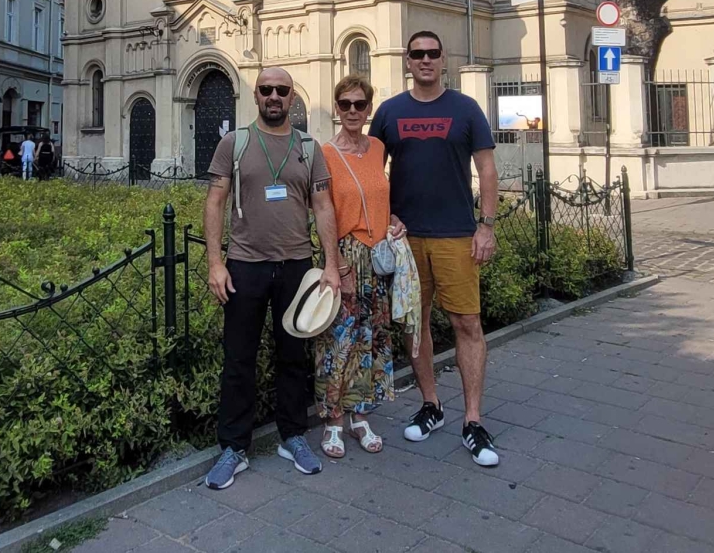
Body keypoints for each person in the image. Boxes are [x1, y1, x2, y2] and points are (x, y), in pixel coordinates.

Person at [204, 67, 343, 490]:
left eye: (282, 90)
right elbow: (215, 201)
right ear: (256, 95)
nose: (274, 96)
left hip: (297, 266)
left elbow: (323, 206)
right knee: (238, 359)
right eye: (266, 89)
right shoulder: (234, 143)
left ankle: (293, 436)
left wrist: (332, 264)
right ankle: (234, 448)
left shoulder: (308, 147)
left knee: (293, 356)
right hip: (244, 265)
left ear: (292, 96)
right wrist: (215, 263)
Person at [370, 29, 502, 468]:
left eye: (432, 53)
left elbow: (487, 170)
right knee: (415, 324)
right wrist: (384, 218)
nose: (425, 60)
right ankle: (431, 405)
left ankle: (473, 420)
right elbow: (373, 173)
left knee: (467, 323)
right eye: (417, 54)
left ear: (444, 59)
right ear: (407, 61)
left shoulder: (466, 109)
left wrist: (486, 227)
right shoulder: (389, 112)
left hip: (456, 235)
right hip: (405, 240)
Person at [315, 74, 406, 458]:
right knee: (340, 340)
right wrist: (335, 265)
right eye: (345, 104)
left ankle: (361, 416)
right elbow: (322, 212)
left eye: (360, 104)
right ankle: (333, 421)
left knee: (372, 337)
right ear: (337, 108)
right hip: (346, 255)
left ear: (369, 109)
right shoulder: (324, 153)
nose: (352, 111)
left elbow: (378, 196)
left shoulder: (377, 148)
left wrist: (393, 220)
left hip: (378, 256)